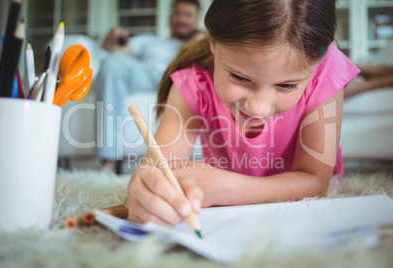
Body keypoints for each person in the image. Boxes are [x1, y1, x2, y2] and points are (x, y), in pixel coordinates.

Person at [126, 0, 360, 227]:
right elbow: (158, 170)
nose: (257, 108)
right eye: (240, 78)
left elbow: (315, 181)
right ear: (212, 43)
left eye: (287, 86)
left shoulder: (327, 70)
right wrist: (149, 191)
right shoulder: (192, 82)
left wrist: (225, 188)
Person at [95, 0, 204, 172]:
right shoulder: (148, 40)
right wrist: (111, 39)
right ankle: (108, 159)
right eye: (178, 13)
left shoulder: (201, 44)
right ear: (170, 17)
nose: (182, 19)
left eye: (188, 15)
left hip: (180, 79)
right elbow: (115, 52)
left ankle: (183, 164)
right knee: (113, 62)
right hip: (148, 76)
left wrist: (200, 43)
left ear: (197, 20)